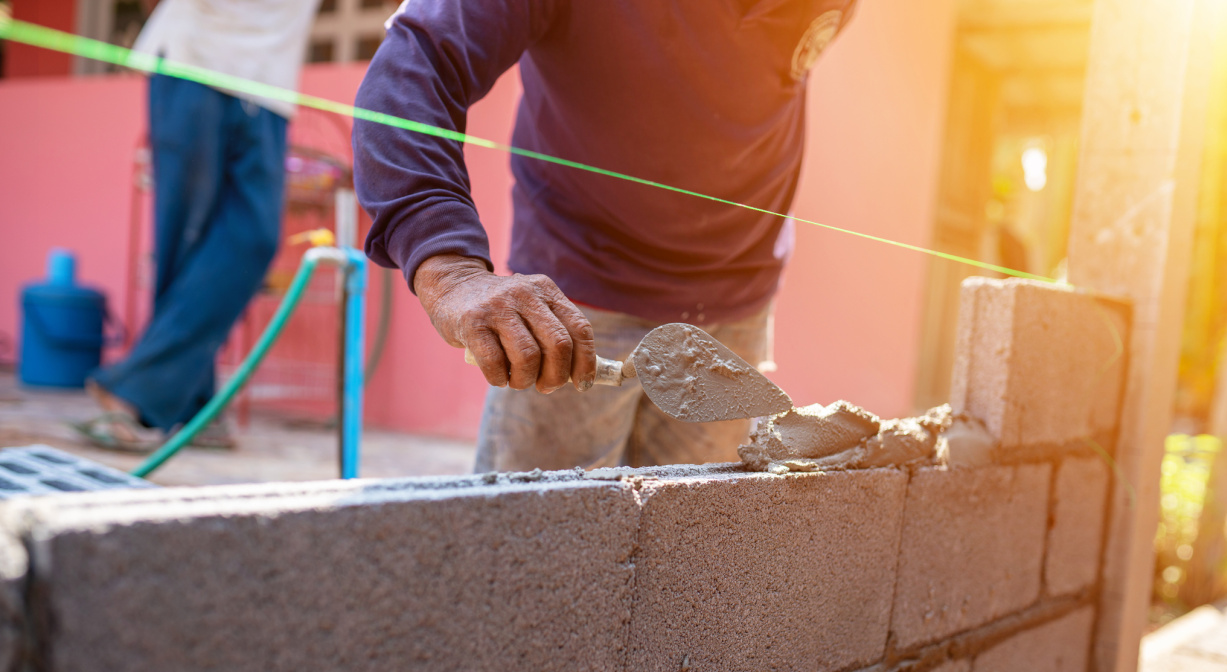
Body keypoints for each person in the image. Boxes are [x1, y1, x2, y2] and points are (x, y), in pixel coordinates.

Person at [354, 0, 855, 472]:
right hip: (575, 308)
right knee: (539, 544)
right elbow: (414, 68)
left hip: (739, 306)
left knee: (699, 548)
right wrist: (449, 270)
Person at [76, 0, 321, 452]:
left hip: (268, 81)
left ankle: (178, 395)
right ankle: (159, 397)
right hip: (196, 58)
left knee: (254, 238)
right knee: (186, 235)